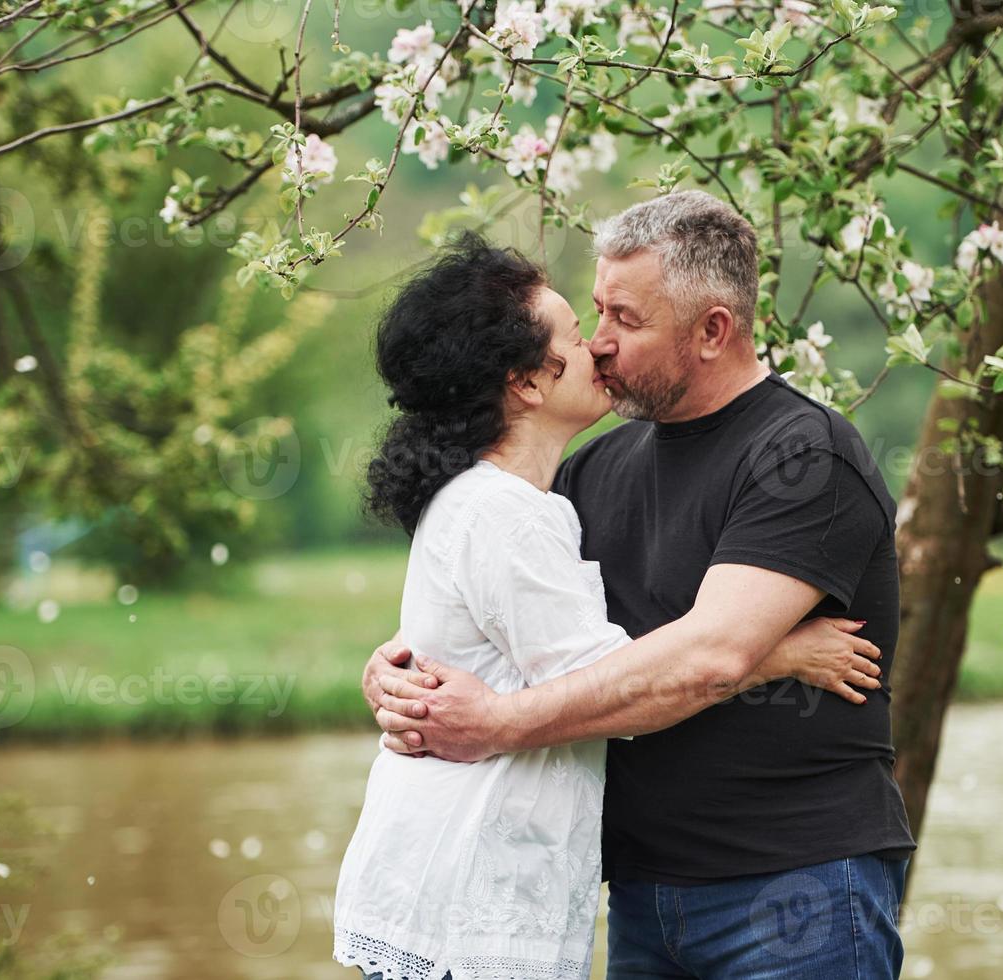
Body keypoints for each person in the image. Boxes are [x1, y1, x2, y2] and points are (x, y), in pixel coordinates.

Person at [365, 191, 917, 979]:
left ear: (711, 331)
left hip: (794, 888)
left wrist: (497, 723)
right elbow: (494, 603)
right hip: (640, 896)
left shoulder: (801, 456)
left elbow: (712, 658)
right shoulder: (591, 469)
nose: (598, 344)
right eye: (595, 313)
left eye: (626, 319)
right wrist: (394, 668)